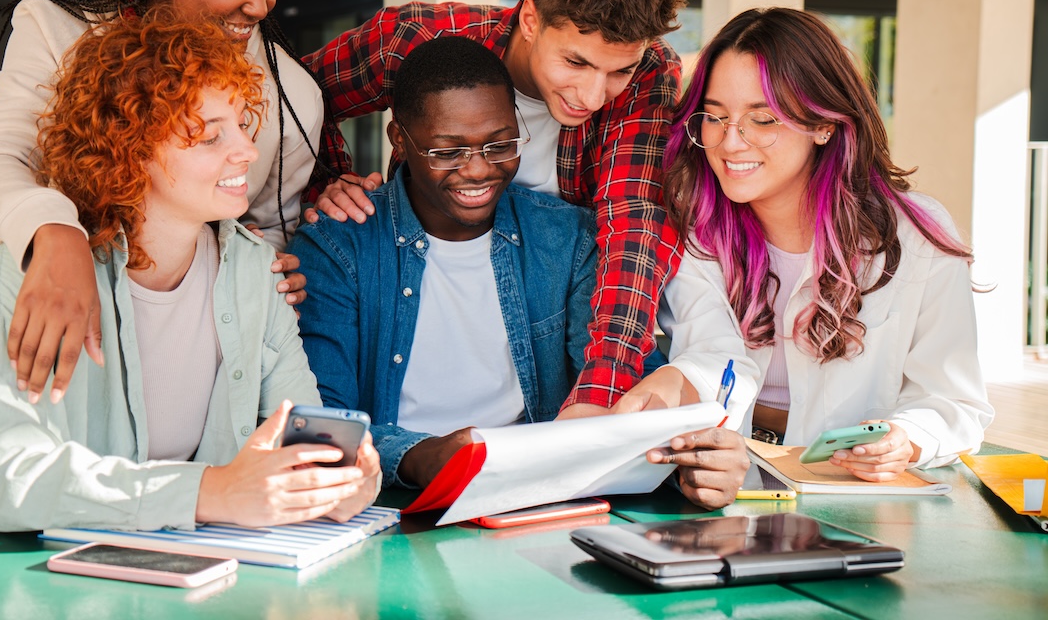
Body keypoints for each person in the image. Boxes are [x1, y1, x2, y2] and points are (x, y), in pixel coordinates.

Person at [0, 14, 380, 532]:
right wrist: (210, 493)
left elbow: (305, 437)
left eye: (242, 124)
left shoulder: (256, 269)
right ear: (129, 151)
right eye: (211, 137)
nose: (248, 151)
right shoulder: (39, 274)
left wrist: (339, 480)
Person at [290, 37, 746, 510]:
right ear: (400, 141)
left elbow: (632, 400)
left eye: (500, 144)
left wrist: (693, 458)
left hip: (542, 508)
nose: (479, 170)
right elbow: (324, 425)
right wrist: (418, 457)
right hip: (390, 511)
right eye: (448, 152)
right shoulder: (336, 248)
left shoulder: (566, 240)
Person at [0, 0, 324, 404]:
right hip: (71, 316)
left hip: (197, 340)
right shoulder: (61, 29)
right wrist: (56, 236)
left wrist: (273, 278)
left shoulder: (291, 91)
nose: (259, 4)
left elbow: (268, 230)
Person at [302, 0, 688, 419]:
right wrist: (327, 181)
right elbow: (289, 101)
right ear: (530, 19)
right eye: (575, 63)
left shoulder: (651, 71)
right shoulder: (416, 39)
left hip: (550, 314)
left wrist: (602, 389)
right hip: (416, 282)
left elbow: (633, 221)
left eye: (619, 70)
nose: (593, 96)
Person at [614, 8, 993, 480]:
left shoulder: (915, 234)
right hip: (731, 481)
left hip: (850, 493)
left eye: (763, 119)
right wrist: (667, 389)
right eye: (715, 117)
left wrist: (905, 439)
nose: (731, 143)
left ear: (824, 124)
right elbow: (710, 353)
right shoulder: (695, 224)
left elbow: (952, 399)